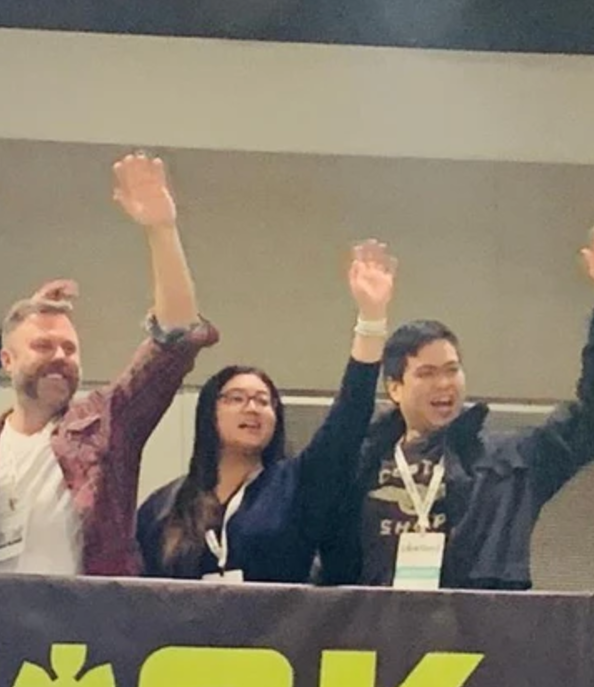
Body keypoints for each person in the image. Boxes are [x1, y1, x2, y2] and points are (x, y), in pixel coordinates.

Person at [317, 222, 594, 591]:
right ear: (395, 388)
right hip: (371, 636)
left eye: (452, 370)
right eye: (428, 373)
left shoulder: (510, 461)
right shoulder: (359, 462)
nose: (444, 384)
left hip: (476, 635)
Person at [0, 153, 217, 577]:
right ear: (6, 359)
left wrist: (161, 230)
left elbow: (176, 338)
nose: (60, 358)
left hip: (89, 628)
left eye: (70, 349)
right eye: (43, 345)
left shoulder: (106, 424)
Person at [136, 241, 398, 583]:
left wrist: (371, 320)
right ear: (208, 414)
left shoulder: (295, 485)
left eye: (264, 401)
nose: (253, 408)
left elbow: (347, 422)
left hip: (280, 635)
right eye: (236, 398)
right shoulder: (164, 506)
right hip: (186, 637)